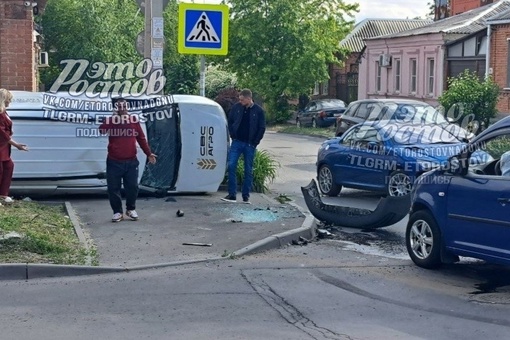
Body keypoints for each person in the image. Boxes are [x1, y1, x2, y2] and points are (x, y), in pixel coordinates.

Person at [99, 98, 157, 222]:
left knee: (133, 187)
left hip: (131, 161)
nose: (122, 108)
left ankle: (130, 209)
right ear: (116, 108)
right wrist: (113, 118)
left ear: (127, 107)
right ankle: (117, 212)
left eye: (124, 106)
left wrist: (149, 153)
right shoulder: (111, 120)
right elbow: (102, 129)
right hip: (114, 161)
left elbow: (141, 138)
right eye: (119, 106)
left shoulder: (133, 121)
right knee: (113, 188)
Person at [221, 89, 266, 204]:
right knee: (231, 165)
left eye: (242, 99)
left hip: (250, 144)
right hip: (237, 141)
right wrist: (232, 134)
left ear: (248, 98)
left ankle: (246, 196)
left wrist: (255, 142)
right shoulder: (236, 108)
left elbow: (261, 127)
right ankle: (232, 194)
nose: (240, 101)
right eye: (239, 99)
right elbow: (230, 121)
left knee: (248, 170)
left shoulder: (258, 111)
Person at [0, 89, 28, 203]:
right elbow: (2, 134)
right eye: (9, 99)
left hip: (4, 147)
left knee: (8, 166)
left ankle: (2, 194)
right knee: (2, 170)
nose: (10, 102)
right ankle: (2, 195)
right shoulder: (0, 115)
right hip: (1, 146)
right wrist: (17, 145)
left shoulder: (4, 113)